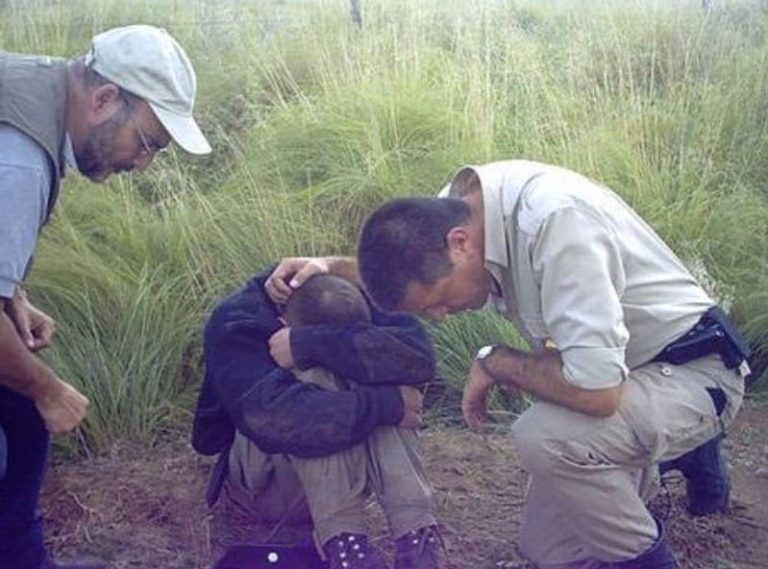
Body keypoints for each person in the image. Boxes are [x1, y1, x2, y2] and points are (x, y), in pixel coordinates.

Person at [271, 160, 750, 568]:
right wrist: (332, 265)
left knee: (544, 435)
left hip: (690, 368)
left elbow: (598, 393)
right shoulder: (457, 216)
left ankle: (656, 537)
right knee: (548, 551)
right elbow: (408, 265)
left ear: (461, 245)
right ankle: (661, 456)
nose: (437, 318)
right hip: (623, 363)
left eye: (436, 302)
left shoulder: (559, 224)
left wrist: (496, 361)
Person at [0, 25, 210, 569]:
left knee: (18, 415)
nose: (143, 164)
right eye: (148, 143)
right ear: (105, 99)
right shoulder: (18, 158)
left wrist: (11, 294)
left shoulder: (37, 84)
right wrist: (48, 389)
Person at [192, 267, 444, 569]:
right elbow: (280, 419)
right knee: (318, 385)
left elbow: (420, 360)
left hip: (344, 473)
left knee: (384, 377)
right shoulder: (237, 320)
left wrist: (309, 343)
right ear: (281, 322)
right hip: (265, 481)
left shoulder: (354, 297)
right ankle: (346, 546)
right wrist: (389, 404)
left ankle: (417, 537)